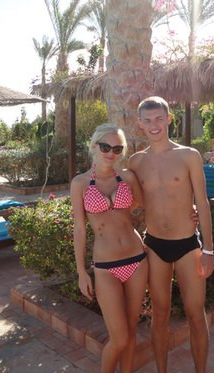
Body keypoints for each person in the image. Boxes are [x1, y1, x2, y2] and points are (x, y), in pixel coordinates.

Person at [128, 96, 214, 373]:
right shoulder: (136, 162)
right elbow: (131, 200)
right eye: (148, 120)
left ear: (169, 119)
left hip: (188, 245)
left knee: (195, 314)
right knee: (160, 314)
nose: (154, 125)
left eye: (159, 119)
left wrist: (209, 250)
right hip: (155, 245)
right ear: (140, 124)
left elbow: (203, 202)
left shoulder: (188, 155)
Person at [71, 123, 147, 373]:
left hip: (137, 259)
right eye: (105, 147)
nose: (111, 153)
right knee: (119, 338)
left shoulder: (127, 177)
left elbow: (144, 204)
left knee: (132, 329)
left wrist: (188, 212)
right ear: (94, 146)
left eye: (117, 148)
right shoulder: (81, 183)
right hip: (106, 267)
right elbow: (80, 228)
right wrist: (81, 271)